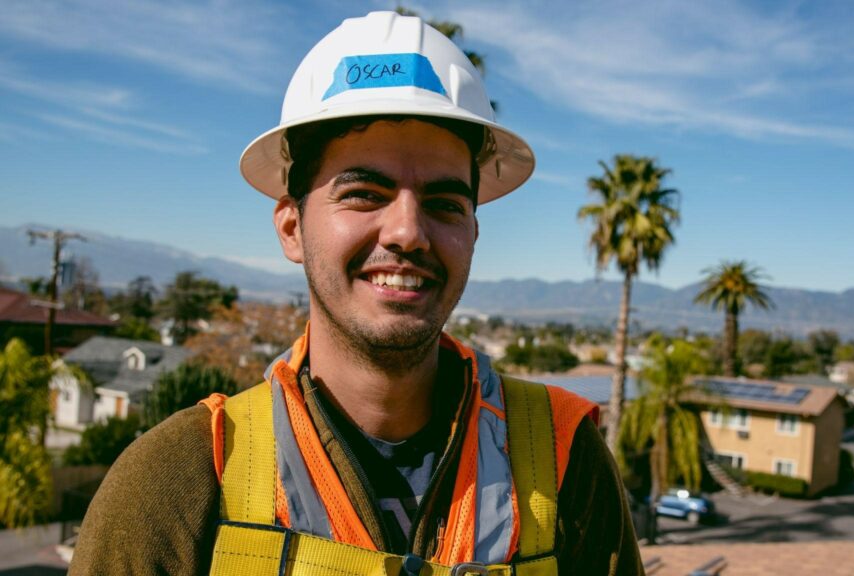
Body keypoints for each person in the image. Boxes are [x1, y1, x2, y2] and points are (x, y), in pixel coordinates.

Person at [70, 11, 642, 576]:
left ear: (472, 232)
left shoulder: (564, 458)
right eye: (365, 193)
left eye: (445, 204)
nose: (408, 233)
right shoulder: (182, 482)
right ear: (292, 227)